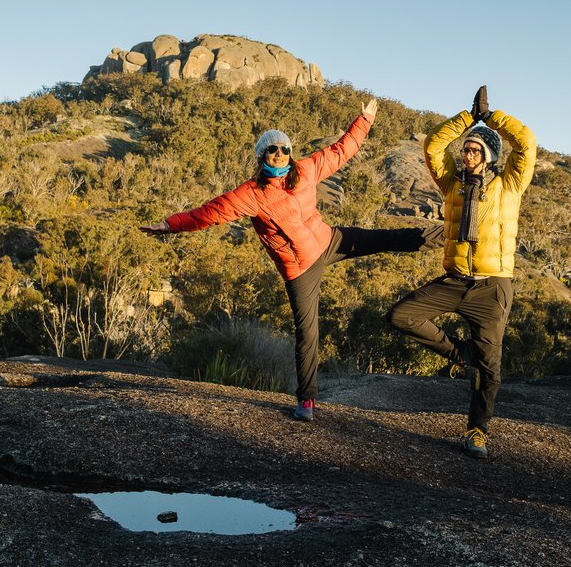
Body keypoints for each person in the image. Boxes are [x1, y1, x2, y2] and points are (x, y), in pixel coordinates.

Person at [141, 99, 442, 421]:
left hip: (329, 241)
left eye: (284, 150)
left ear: (290, 153)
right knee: (308, 333)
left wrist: (364, 120)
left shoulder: (306, 170)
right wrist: (170, 225)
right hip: (300, 269)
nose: (279, 156)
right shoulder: (251, 195)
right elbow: (209, 214)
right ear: (262, 157)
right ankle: (307, 400)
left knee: (387, 238)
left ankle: (450, 235)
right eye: (273, 152)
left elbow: (341, 151)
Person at [387, 85, 537, 459]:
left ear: (489, 156)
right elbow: (433, 147)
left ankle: (477, 431)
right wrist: (467, 120)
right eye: (466, 148)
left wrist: (490, 119)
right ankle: (459, 355)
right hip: (455, 280)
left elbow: (526, 143)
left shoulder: (510, 185)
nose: (468, 154)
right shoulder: (452, 183)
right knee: (401, 315)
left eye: (475, 149)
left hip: (492, 286)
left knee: (491, 369)